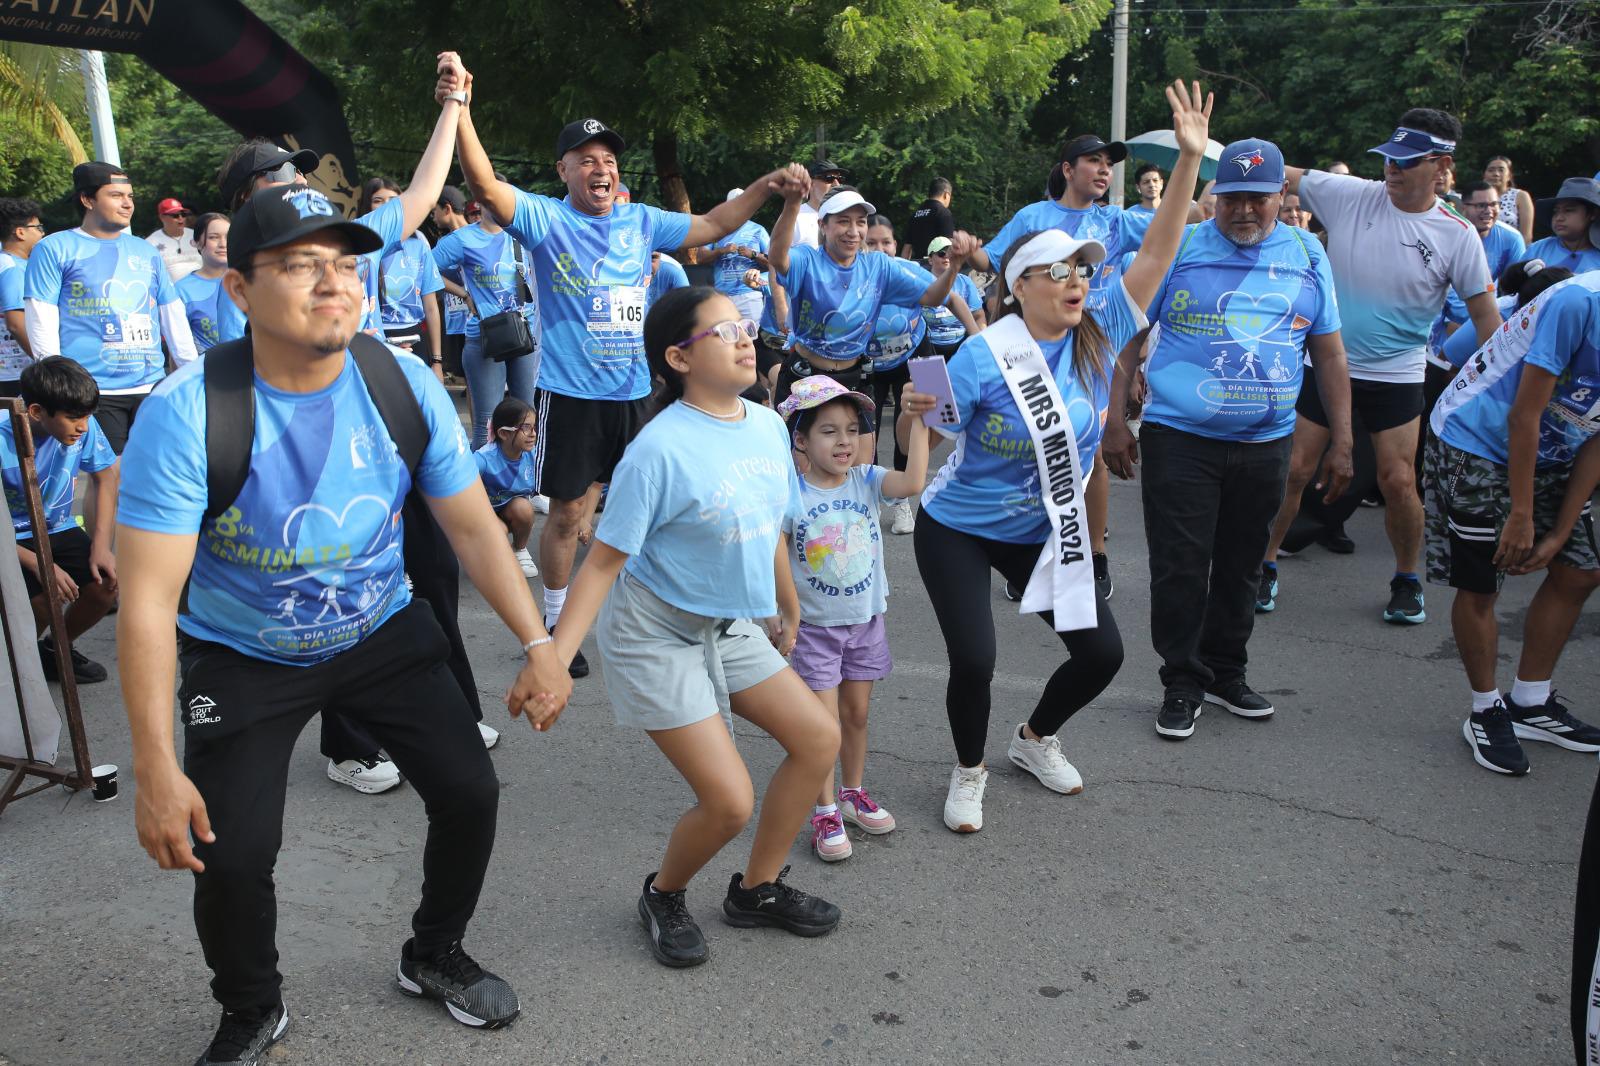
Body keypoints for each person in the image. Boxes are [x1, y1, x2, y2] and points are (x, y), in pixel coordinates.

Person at [115, 182, 573, 1065]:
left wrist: (539, 643)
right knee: (233, 851)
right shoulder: (186, 414)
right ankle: (252, 1007)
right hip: (242, 655)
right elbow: (144, 604)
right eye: (299, 265)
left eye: (346, 264)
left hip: (380, 633)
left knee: (469, 790)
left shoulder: (398, 380)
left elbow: (474, 525)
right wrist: (153, 767)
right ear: (240, 291)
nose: (333, 284)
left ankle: (433, 953)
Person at [906, 79, 1210, 832]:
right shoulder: (982, 356)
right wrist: (916, 416)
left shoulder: (1101, 327)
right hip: (961, 527)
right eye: (1063, 271)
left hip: (1042, 526)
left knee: (1101, 655)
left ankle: (1034, 740)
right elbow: (934, 438)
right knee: (974, 659)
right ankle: (968, 769)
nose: (1080, 281)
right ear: (1022, 286)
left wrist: (1189, 163)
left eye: (1084, 270)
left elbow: (1163, 244)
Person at [448, 66, 814, 682]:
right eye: (585, 159)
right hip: (569, 395)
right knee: (568, 515)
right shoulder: (544, 219)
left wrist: (766, 187)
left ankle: (681, 616)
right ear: (563, 170)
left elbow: (715, 227)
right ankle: (559, 627)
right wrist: (459, 106)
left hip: (638, 395)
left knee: (658, 509)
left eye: (608, 159)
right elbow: (482, 181)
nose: (600, 168)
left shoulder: (640, 221)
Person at [550, 285, 843, 969]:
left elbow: (767, 518)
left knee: (817, 738)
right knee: (727, 801)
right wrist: (552, 661)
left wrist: (785, 600)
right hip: (655, 632)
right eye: (724, 331)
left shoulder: (767, 424)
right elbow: (599, 566)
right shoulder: (658, 451)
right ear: (679, 357)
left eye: (745, 325)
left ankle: (756, 890)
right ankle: (664, 893)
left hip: (727, 623)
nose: (746, 337)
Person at [1101, 137, 1352, 740]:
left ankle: (1226, 673)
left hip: (1267, 440)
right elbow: (1128, 335)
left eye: (1258, 199)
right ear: (1214, 198)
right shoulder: (1180, 249)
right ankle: (1182, 681)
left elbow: (1330, 349)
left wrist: (1343, 436)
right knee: (1181, 566)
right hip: (1179, 437)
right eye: (1232, 197)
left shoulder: (1308, 254)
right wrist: (1114, 418)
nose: (1244, 210)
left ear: (1281, 198)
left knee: (1241, 564)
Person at [1267, 109, 1500, 622]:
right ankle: (1263, 566)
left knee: (1397, 481)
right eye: (1388, 159)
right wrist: (1211, 156)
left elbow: (1486, 319)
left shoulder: (1458, 233)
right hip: (1328, 366)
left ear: (1440, 166)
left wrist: (1499, 390)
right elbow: (1278, 170)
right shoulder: (1354, 195)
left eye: (1406, 162)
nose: (1392, 170)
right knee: (1296, 471)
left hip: (1397, 375)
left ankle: (1407, 579)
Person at [1424, 269, 1600, 775]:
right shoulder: (1578, 303)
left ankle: (1531, 701)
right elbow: (1523, 416)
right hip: (1477, 438)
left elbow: (1597, 435)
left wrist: (1562, 531)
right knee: (1483, 582)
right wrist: (1521, 516)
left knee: (1581, 570)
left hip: (1556, 449)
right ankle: (1485, 708)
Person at [776, 375, 931, 860]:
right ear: (800, 439)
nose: (844, 441)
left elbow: (913, 482)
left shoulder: (866, 480)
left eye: (851, 429)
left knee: (857, 715)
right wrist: (783, 613)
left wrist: (921, 422)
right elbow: (773, 557)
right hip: (814, 630)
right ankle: (822, 811)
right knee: (821, 728)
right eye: (828, 431)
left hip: (865, 621)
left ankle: (851, 792)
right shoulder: (791, 496)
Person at [23, 162, 199, 453]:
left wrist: (192, 372)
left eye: (129, 196)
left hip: (150, 385)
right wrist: (57, 384)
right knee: (109, 479)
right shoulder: (55, 248)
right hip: (93, 390)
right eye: (116, 195)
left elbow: (171, 311)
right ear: (87, 199)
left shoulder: (145, 250)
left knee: (153, 472)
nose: (127, 203)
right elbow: (41, 315)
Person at [769, 186, 977, 418]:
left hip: (915, 352)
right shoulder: (816, 260)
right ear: (823, 226)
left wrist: (978, 342)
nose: (879, 248)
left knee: (934, 418)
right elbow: (778, 258)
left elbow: (943, 298)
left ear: (896, 245)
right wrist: (792, 203)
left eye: (885, 242)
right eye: (873, 242)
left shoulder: (894, 267)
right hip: (870, 364)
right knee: (837, 443)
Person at [2, 357, 118, 684]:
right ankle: (16, 672)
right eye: (73, 418)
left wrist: (101, 547)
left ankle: (56, 649)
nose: (83, 426)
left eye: (87, 416)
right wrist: (39, 563)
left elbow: (106, 478)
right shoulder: (1, 436)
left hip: (58, 527)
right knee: (41, 604)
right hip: (8, 537)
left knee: (105, 583)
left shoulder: (84, 426)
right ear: (37, 412)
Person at [430, 181, 539, 448]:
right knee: (487, 422)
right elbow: (426, 268)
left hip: (525, 337)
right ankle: (483, 486)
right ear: (479, 202)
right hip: (484, 337)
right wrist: (464, 294)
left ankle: (525, 479)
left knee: (527, 418)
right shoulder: (463, 239)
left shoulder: (524, 236)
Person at [371, 177, 446, 371]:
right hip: (373, 337)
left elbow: (430, 305)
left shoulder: (418, 243)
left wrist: (436, 361)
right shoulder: (360, 243)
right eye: (378, 200)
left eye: (393, 200)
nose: (386, 206)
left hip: (414, 336)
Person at [474, 395, 540, 578]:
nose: (533, 433)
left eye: (534, 427)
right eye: (526, 428)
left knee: (524, 509)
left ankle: (520, 550)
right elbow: (462, 491)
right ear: (504, 433)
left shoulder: (533, 455)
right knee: (499, 533)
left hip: (508, 509)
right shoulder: (483, 459)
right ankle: (482, 550)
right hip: (483, 513)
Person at [174, 213, 243, 355]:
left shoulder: (248, 279)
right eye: (214, 237)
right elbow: (177, 348)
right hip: (207, 371)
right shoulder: (182, 289)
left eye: (228, 237)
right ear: (196, 242)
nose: (223, 244)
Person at [701, 189, 771, 323]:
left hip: (750, 294)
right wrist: (721, 251)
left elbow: (773, 263)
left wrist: (753, 254)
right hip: (722, 295)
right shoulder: (716, 229)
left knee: (751, 340)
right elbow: (700, 257)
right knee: (725, 339)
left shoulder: (758, 230)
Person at [0, 198, 43, 396]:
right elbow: (16, 323)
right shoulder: (13, 268)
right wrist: (46, 362)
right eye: (38, 227)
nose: (43, 233)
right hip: (14, 372)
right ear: (20, 232)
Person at [430, 185, 473, 379]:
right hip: (456, 319)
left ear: (447, 208)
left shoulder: (478, 236)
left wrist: (466, 294)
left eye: (434, 211)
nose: (433, 216)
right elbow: (428, 272)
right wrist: (462, 293)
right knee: (469, 380)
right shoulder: (444, 244)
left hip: (477, 319)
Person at [1527, 177, 1600, 275]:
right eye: (1555, 211)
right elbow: (1509, 288)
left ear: (1593, 214)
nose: (1559, 218)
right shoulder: (1538, 249)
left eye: (1569, 210)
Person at [144, 197, 201, 281]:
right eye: (175, 215)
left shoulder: (198, 235)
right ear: (162, 217)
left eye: (183, 214)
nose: (180, 218)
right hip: (172, 292)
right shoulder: (150, 243)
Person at [795, 158, 847, 248]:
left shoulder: (847, 217)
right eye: (829, 178)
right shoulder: (794, 218)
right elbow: (772, 258)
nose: (836, 184)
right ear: (809, 183)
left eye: (839, 179)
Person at [1483, 155, 1536, 244]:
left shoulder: (1520, 196)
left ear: (1509, 176)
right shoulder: (1477, 196)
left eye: (1501, 170)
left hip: (1512, 251)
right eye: (1491, 170)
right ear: (1484, 175)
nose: (1496, 174)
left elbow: (1527, 236)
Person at [901, 176, 955, 260]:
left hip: (918, 266)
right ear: (946, 195)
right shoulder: (943, 212)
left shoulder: (916, 214)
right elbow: (948, 245)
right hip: (936, 266)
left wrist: (903, 267)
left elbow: (907, 248)